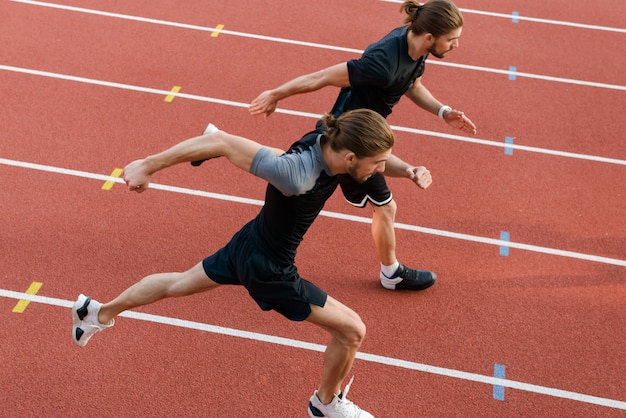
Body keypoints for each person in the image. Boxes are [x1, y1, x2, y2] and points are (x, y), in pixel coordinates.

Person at [71, 109, 433, 417]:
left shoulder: (328, 136)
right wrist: (148, 165)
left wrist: (411, 169)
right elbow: (224, 143)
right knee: (353, 330)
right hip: (270, 270)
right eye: (379, 164)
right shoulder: (297, 175)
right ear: (350, 158)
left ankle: (96, 313)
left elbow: (223, 141)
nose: (383, 170)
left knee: (177, 283)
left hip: (248, 243)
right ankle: (325, 404)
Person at [249, 0, 476, 291]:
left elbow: (412, 85)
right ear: (430, 37)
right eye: (453, 40)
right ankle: (389, 273)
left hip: (365, 138)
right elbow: (322, 77)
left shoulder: (416, 46)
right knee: (302, 194)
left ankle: (226, 150)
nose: (456, 45)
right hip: (347, 144)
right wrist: (276, 94)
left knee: (301, 193)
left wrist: (443, 112)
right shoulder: (381, 63)